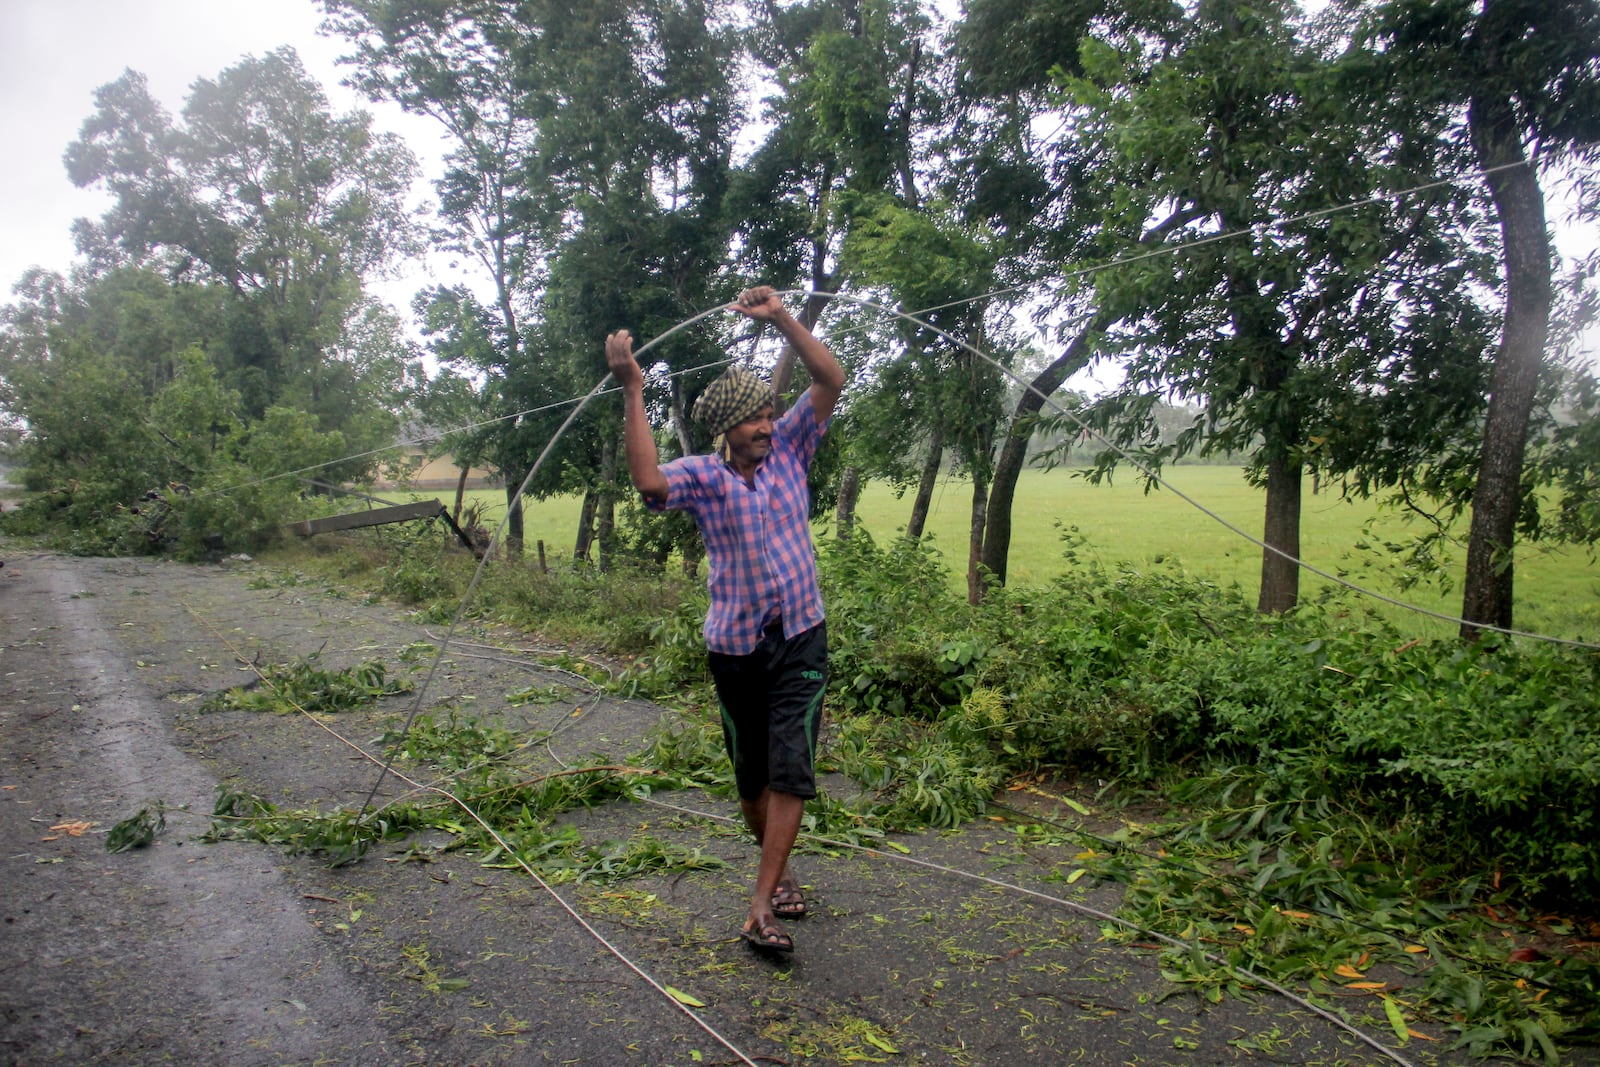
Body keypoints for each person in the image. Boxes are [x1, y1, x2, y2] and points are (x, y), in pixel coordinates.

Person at [605, 286, 845, 954]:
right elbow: (650, 481)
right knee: (752, 780)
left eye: (768, 412)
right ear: (728, 431)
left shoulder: (795, 447)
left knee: (792, 764)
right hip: (736, 649)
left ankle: (761, 905)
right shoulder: (706, 479)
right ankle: (780, 865)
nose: (767, 425)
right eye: (753, 420)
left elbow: (831, 378)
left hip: (801, 633)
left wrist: (783, 320)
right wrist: (632, 389)